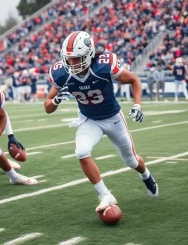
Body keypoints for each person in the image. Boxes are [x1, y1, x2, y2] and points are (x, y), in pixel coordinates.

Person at [44, 31, 158, 212]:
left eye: (77, 58)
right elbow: (47, 106)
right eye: (69, 58)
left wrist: (137, 105)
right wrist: (56, 100)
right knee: (81, 151)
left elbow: (134, 80)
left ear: (89, 54)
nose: (72, 63)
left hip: (113, 118)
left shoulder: (103, 66)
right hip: (89, 120)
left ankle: (146, 175)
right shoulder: (61, 73)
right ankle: (105, 194)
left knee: (132, 161)